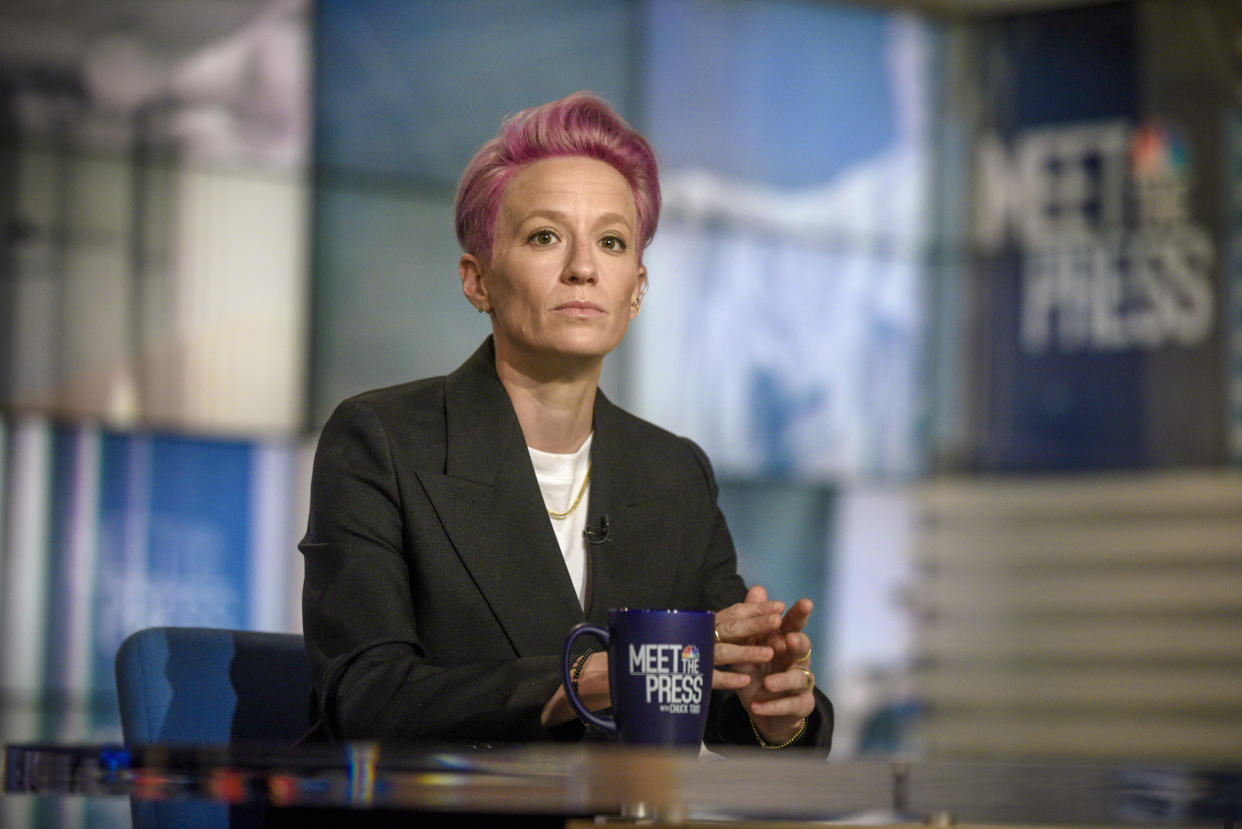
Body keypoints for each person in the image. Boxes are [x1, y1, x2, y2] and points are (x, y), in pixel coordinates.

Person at [300, 91, 832, 751]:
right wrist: (576, 681)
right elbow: (365, 695)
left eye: (611, 242)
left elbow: (711, 687)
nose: (582, 268)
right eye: (545, 236)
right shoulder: (380, 441)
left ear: (635, 288)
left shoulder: (674, 474)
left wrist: (771, 709)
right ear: (478, 280)